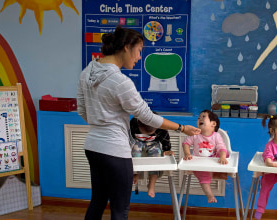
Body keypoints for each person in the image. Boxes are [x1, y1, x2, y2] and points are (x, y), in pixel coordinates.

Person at [77, 26, 201, 220]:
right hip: (114, 151)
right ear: (126, 47)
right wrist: (182, 128)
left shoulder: (88, 72)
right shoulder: (120, 81)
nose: (140, 57)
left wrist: (101, 124)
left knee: (98, 202)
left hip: (92, 146)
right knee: (120, 210)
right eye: (139, 51)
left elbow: (82, 110)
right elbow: (147, 117)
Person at [182, 109, 228, 203]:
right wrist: (187, 154)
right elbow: (186, 143)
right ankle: (209, 194)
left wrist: (222, 157)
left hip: (214, 161)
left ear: (213, 124)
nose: (200, 119)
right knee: (203, 175)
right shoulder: (195, 134)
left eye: (203, 117)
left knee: (225, 153)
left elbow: (221, 147)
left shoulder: (216, 136)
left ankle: (221, 172)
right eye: (199, 117)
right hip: (200, 164)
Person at [130, 116, 174, 198]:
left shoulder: (162, 128)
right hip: (136, 141)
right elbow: (128, 136)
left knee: (156, 156)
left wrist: (166, 150)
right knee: (135, 151)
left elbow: (166, 140)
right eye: (144, 132)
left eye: (150, 133)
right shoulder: (134, 123)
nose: (146, 135)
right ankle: (136, 173)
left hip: (153, 143)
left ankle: (152, 183)